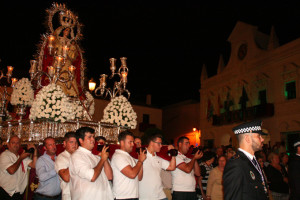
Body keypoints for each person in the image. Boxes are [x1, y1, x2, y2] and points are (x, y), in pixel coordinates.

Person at [223, 120, 269, 200]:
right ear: (247, 138)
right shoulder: (236, 164)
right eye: (259, 136)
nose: (262, 140)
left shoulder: (254, 161)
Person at [69, 127, 113, 200]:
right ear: (81, 140)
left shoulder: (95, 157)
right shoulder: (77, 156)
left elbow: (110, 176)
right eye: (89, 137)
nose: (93, 139)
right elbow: (92, 177)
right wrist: (102, 159)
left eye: (93, 137)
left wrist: (104, 159)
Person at [111, 130, 146, 200]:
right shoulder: (118, 156)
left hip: (133, 196)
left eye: (133, 142)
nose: (133, 144)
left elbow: (139, 177)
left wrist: (140, 161)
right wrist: (140, 161)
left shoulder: (130, 157)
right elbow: (132, 174)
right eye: (130, 142)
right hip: (122, 197)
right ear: (122, 142)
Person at [139, 134, 176, 200]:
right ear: (151, 143)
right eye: (159, 143)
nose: (161, 146)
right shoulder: (141, 155)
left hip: (161, 196)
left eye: (161, 144)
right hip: (146, 196)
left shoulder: (159, 158)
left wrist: (173, 154)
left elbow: (172, 167)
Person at [0, 135, 37, 199]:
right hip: (5, 192)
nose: (15, 145)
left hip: (18, 193)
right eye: (13, 143)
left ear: (20, 145)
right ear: (8, 145)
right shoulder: (4, 155)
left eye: (17, 143)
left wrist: (35, 151)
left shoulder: (22, 156)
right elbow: (11, 171)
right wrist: (20, 158)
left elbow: (34, 165)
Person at [55, 132, 78, 200]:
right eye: (71, 142)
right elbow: (66, 178)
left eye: (76, 142)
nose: (74, 145)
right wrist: (74, 158)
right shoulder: (62, 157)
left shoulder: (78, 156)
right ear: (64, 143)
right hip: (69, 195)